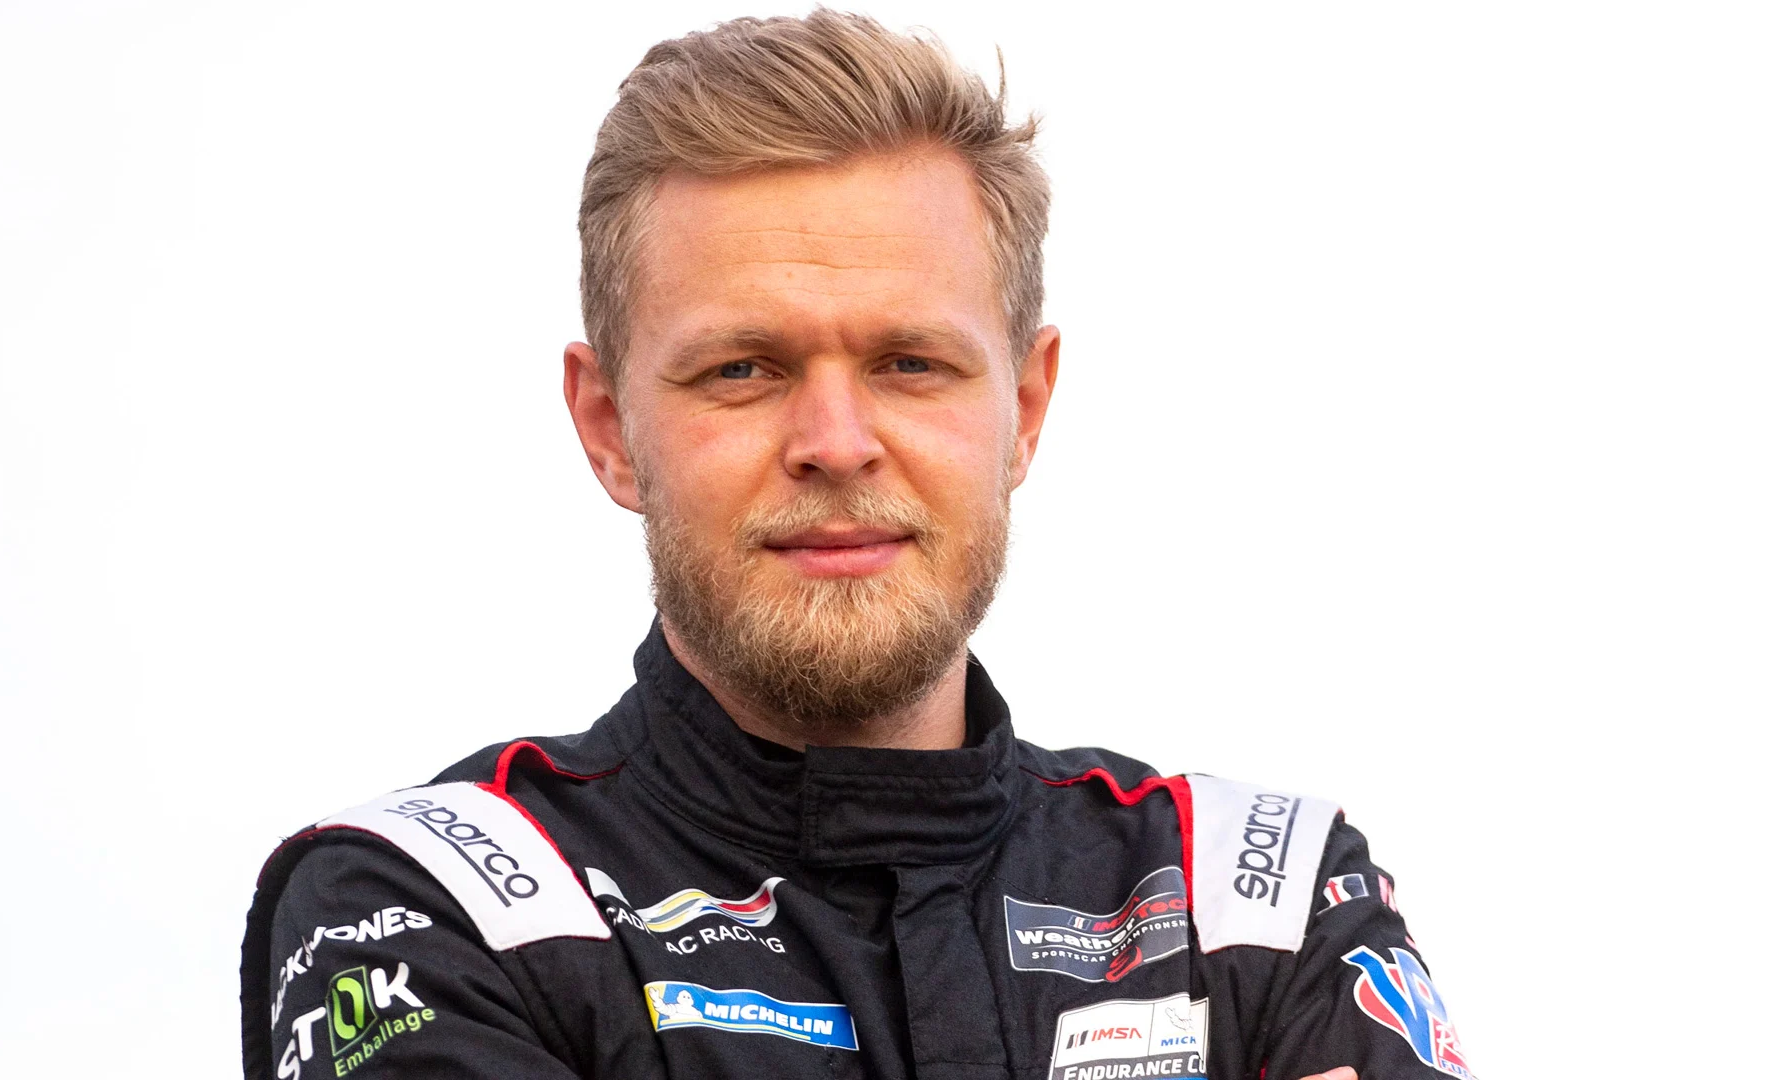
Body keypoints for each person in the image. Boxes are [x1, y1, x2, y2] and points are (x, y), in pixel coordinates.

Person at [240, 11, 1473, 1080]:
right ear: (610, 427)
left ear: (1026, 410)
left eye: (910, 364)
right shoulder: (428, 903)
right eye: (743, 368)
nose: (836, 441)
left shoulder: (1259, 892)